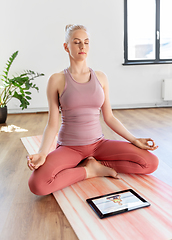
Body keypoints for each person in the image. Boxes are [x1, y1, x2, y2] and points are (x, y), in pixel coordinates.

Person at [27, 24, 159, 196]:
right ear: (66, 47)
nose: (83, 46)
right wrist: (42, 153)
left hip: (99, 145)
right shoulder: (57, 80)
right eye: (77, 42)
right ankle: (89, 170)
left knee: (150, 163)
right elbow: (52, 123)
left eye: (86, 42)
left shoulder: (101, 77)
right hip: (70, 147)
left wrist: (134, 140)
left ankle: (96, 164)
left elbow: (109, 117)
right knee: (37, 184)